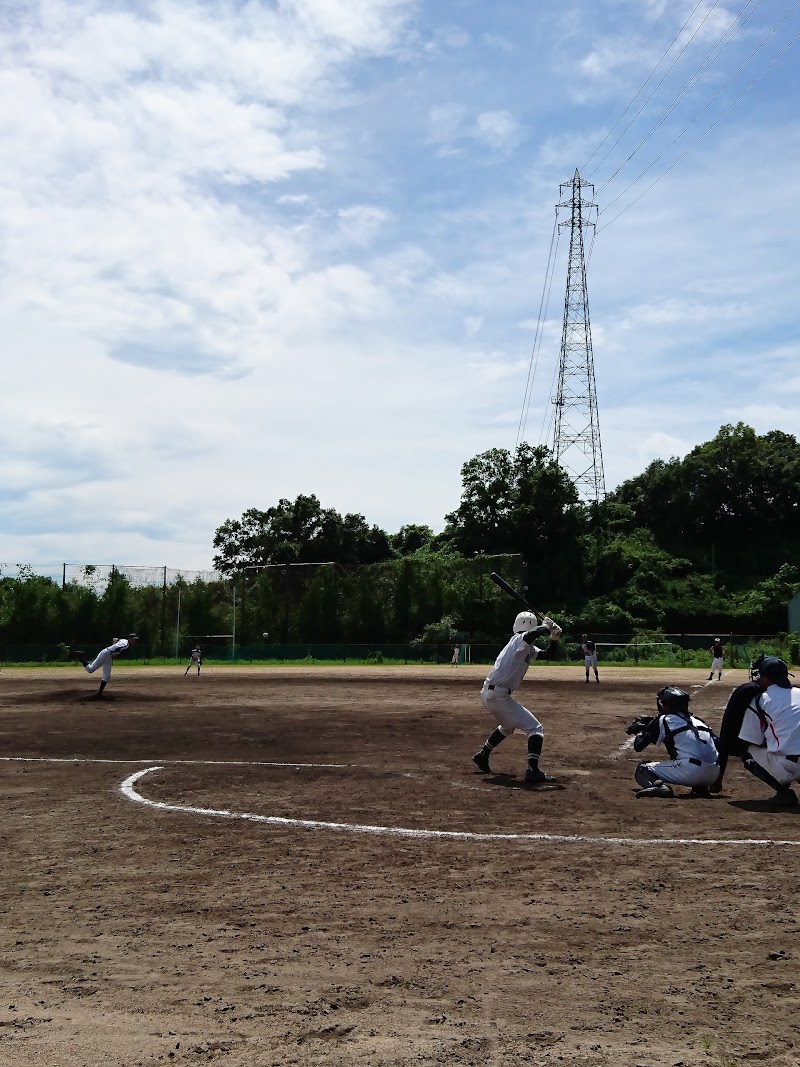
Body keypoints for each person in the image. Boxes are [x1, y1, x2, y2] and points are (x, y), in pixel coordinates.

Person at [472, 611, 563, 784]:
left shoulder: (526, 647)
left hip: (491, 693)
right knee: (535, 728)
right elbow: (531, 634)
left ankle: (482, 755)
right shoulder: (518, 641)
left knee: (507, 726)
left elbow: (548, 655)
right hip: (498, 695)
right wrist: (546, 626)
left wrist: (554, 638)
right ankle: (532, 769)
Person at [626, 685, 720, 798]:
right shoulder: (699, 722)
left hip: (691, 772)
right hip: (714, 775)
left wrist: (640, 730)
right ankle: (700, 788)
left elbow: (638, 746)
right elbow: (720, 746)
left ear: (666, 704)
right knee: (693, 752)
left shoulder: (665, 719)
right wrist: (719, 778)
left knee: (643, 769)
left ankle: (658, 787)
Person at [737, 655, 800, 807]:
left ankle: (783, 793)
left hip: (789, 765)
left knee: (747, 752)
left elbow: (751, 739)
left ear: (766, 679)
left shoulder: (761, 699)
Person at [710, 655, 763, 793]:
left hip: (779, 756)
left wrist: (719, 775)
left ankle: (783, 791)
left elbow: (727, 733)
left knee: (748, 757)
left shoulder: (748, 691)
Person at [73, 634, 140, 699]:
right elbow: (115, 650)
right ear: (129, 639)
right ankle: (80, 656)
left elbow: (115, 639)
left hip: (108, 655)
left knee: (107, 676)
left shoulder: (124, 640)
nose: (135, 642)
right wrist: (114, 653)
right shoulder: (125, 645)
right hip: (106, 654)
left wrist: (113, 648)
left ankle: (99, 694)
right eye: (134, 640)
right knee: (90, 670)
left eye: (136, 640)